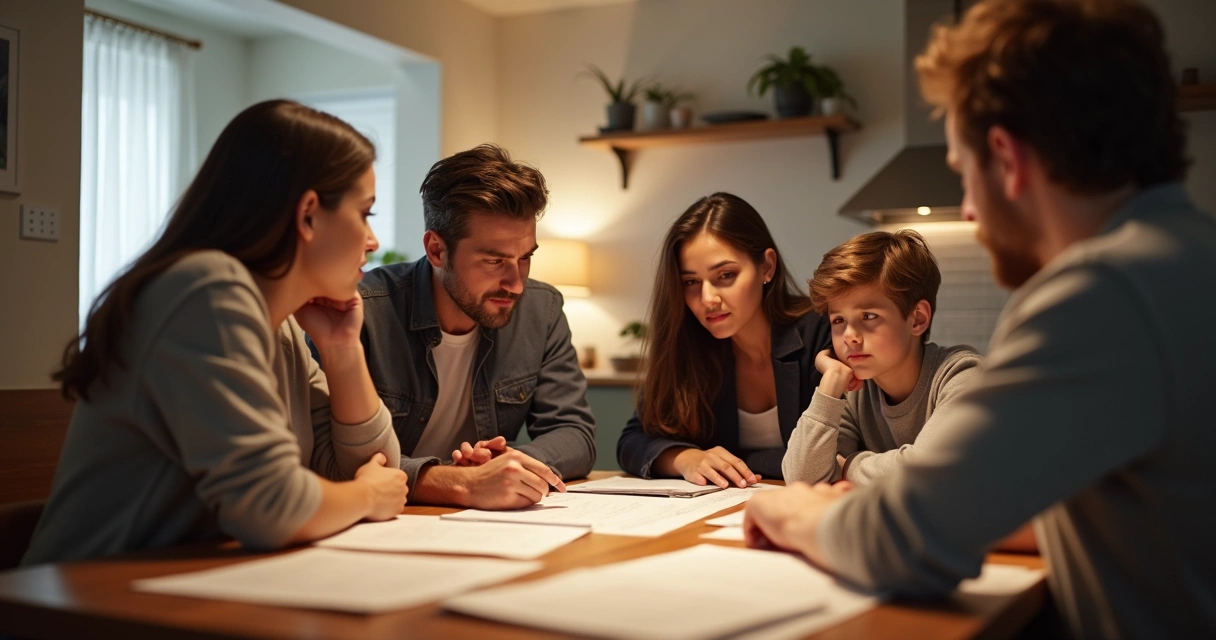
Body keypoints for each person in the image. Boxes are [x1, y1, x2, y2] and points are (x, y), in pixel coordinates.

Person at [744, 0, 1216, 636]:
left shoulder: (1099, 293)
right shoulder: (1184, 258)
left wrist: (792, 513)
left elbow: (903, 542)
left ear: (1007, 158)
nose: (968, 210)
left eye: (963, 174)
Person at [23, 100, 408, 566]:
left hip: (177, 585)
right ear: (308, 215)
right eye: (365, 213)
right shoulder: (207, 290)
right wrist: (366, 497)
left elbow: (369, 463)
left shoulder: (280, 323)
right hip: (74, 607)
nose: (372, 241)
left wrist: (342, 347)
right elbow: (274, 507)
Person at [353, 144, 595, 510]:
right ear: (437, 250)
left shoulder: (541, 309)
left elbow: (574, 433)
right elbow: (331, 456)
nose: (516, 283)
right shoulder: (362, 312)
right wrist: (453, 481)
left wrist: (509, 465)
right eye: (494, 260)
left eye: (525, 258)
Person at [617, 193, 832, 486]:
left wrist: (740, 459)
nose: (707, 299)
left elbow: (836, 453)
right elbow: (631, 441)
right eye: (691, 282)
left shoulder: (823, 332)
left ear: (767, 267)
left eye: (725, 275)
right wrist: (686, 458)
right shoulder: (689, 344)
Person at [782, 230, 980, 485]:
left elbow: (931, 473)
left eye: (869, 316)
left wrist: (849, 465)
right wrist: (830, 385)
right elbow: (801, 480)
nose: (850, 336)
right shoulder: (857, 393)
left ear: (917, 318)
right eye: (839, 320)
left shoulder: (964, 376)